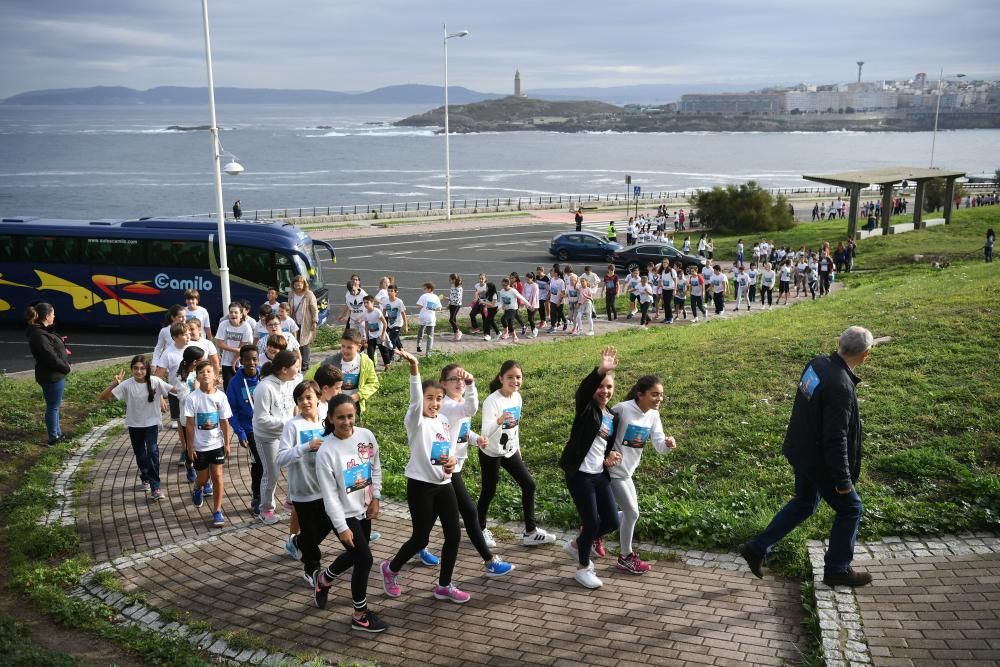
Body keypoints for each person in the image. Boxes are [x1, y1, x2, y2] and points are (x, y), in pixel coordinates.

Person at [739, 326, 875, 588]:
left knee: (805, 502)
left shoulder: (817, 364)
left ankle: (756, 547)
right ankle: (837, 569)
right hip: (819, 459)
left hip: (801, 450)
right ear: (866, 355)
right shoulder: (841, 386)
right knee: (851, 508)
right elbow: (835, 438)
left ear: (839, 342)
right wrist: (843, 480)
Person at [380, 350, 471, 604]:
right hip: (420, 485)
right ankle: (391, 568)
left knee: (453, 535)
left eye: (439, 398)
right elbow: (414, 401)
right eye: (429, 398)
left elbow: (448, 446)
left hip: (444, 484)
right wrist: (414, 370)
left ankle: (444, 585)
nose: (434, 403)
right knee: (421, 537)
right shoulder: (415, 420)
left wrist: (452, 459)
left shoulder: (443, 419)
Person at [311, 393, 387, 632]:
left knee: (357, 556)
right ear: (331, 419)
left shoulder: (366, 436)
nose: (346, 422)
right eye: (340, 417)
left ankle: (324, 579)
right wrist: (342, 527)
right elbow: (329, 495)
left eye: (350, 416)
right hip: (342, 514)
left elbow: (375, 467)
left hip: (363, 509)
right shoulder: (326, 452)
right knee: (365, 560)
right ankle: (360, 615)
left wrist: (376, 497)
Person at [438, 364, 516, 576]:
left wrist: (475, 439)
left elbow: (463, 429)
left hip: (455, 466)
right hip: (446, 469)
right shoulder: (447, 405)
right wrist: (472, 384)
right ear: (443, 384)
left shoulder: (458, 402)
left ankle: (415, 549)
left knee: (430, 516)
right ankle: (489, 561)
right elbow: (471, 409)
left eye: (462, 379)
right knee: (470, 513)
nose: (459, 382)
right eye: (454, 379)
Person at [560, 347, 622, 589]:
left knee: (611, 521)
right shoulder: (586, 409)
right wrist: (600, 371)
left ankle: (576, 546)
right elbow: (583, 392)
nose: (604, 391)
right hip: (580, 474)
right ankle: (583, 568)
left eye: (609, 387)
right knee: (592, 522)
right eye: (601, 386)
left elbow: (602, 444)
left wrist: (610, 455)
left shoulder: (611, 415)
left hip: (599, 474)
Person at [477, 360, 557, 548]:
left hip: (510, 450)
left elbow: (515, 426)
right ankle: (479, 529)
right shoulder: (492, 401)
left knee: (529, 484)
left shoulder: (517, 398)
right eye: (510, 377)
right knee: (489, 491)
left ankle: (530, 532)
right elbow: (485, 433)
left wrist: (517, 447)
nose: (515, 381)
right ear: (501, 379)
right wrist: (498, 420)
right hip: (490, 452)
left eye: (518, 377)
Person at [609, 374, 676, 574]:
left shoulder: (653, 415)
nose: (659, 399)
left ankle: (593, 529)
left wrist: (667, 444)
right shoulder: (622, 409)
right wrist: (608, 455)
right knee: (632, 513)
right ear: (640, 394)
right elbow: (603, 434)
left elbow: (658, 445)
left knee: (619, 515)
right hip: (612, 471)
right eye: (654, 394)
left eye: (661, 395)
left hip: (627, 472)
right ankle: (625, 557)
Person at [99, 354, 172, 500]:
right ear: (132, 369)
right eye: (135, 368)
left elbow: (174, 390)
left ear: (147, 369)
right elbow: (104, 398)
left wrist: (192, 389)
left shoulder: (155, 381)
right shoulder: (126, 384)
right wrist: (114, 384)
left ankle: (155, 487)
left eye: (142, 368)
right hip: (134, 424)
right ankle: (145, 475)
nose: (139, 371)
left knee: (152, 452)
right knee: (140, 454)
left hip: (151, 423)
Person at [252, 350, 299, 525]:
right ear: (285, 369)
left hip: (287, 433)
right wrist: (288, 422)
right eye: (296, 366)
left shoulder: (291, 382)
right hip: (267, 437)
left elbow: (294, 405)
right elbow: (261, 419)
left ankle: (291, 501)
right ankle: (266, 509)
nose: (298, 369)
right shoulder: (264, 387)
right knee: (272, 473)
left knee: (296, 466)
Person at [184, 361, 233, 527]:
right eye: (201, 372)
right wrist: (190, 447)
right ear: (197, 376)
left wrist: (227, 444)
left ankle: (217, 510)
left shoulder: (221, 397)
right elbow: (189, 424)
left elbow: (224, 422)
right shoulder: (192, 398)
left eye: (208, 371)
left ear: (215, 376)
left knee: (218, 476)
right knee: (203, 479)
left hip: (216, 444)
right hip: (199, 446)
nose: (205, 374)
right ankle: (198, 488)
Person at [26, 303, 71, 446]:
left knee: (55, 406)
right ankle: (53, 437)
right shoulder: (39, 334)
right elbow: (49, 357)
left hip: (53, 374)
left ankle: (57, 433)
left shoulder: (41, 332)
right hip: (51, 375)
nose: (54, 316)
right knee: (53, 406)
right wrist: (65, 367)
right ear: (47, 316)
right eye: (53, 314)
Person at [227, 345, 262, 517]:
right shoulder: (235, 383)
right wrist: (240, 432)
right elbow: (231, 411)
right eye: (247, 359)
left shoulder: (265, 376)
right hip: (250, 429)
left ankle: (262, 495)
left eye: (254, 359)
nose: (251, 362)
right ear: (241, 361)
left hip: (267, 427)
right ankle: (258, 497)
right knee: (260, 462)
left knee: (265, 464)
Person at [215, 302, 255, 388]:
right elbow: (219, 343)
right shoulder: (223, 324)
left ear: (241, 315)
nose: (233, 314)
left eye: (236, 312)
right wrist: (235, 350)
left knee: (243, 386)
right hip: (226, 361)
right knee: (229, 386)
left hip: (243, 361)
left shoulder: (246, 326)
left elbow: (243, 346)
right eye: (231, 312)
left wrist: (235, 359)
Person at [288, 274, 318, 370]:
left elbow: (314, 309)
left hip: (306, 321)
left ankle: (305, 363)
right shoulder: (291, 294)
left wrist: (314, 321)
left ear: (304, 284)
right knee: (295, 342)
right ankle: (297, 361)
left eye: (300, 284)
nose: (297, 286)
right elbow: (289, 307)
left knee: (304, 342)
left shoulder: (309, 294)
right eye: (295, 284)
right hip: (294, 320)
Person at [415, 281, 442, 354]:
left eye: (424, 289)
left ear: (429, 289)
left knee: (421, 330)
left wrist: (424, 306)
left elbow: (419, 306)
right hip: (431, 318)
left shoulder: (423, 296)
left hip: (422, 316)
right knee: (430, 335)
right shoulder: (436, 297)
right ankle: (428, 353)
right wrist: (432, 306)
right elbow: (439, 308)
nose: (423, 290)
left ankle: (418, 345)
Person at [446, 274, 464, 341]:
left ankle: (459, 332)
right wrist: (449, 304)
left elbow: (458, 299)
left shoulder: (459, 288)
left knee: (451, 320)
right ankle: (455, 335)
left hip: (457, 305)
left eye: (450, 279)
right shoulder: (452, 286)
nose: (449, 280)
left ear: (454, 280)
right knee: (454, 319)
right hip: (452, 304)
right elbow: (451, 295)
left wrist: (448, 299)